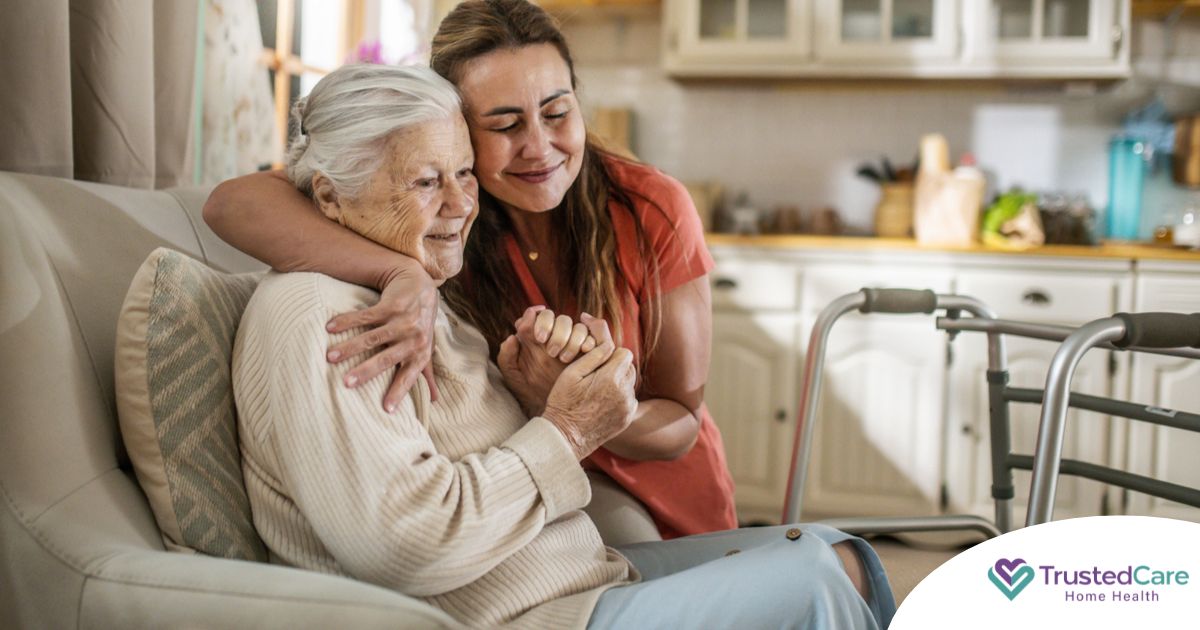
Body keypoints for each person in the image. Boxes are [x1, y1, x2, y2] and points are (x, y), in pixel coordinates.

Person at [233, 62, 895, 629]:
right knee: (813, 577)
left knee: (838, 552)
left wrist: (536, 389)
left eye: (464, 173)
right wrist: (569, 430)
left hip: (576, 580)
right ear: (329, 195)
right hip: (528, 617)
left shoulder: (410, 291)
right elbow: (406, 543)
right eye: (425, 182)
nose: (463, 204)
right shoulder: (322, 316)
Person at [205, 0, 734, 541]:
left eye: (557, 113)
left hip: (666, 499)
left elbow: (682, 425)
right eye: (504, 124)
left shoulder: (649, 207)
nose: (539, 147)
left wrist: (586, 407)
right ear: (456, 127)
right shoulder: (446, 218)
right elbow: (231, 204)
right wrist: (399, 273)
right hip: (535, 493)